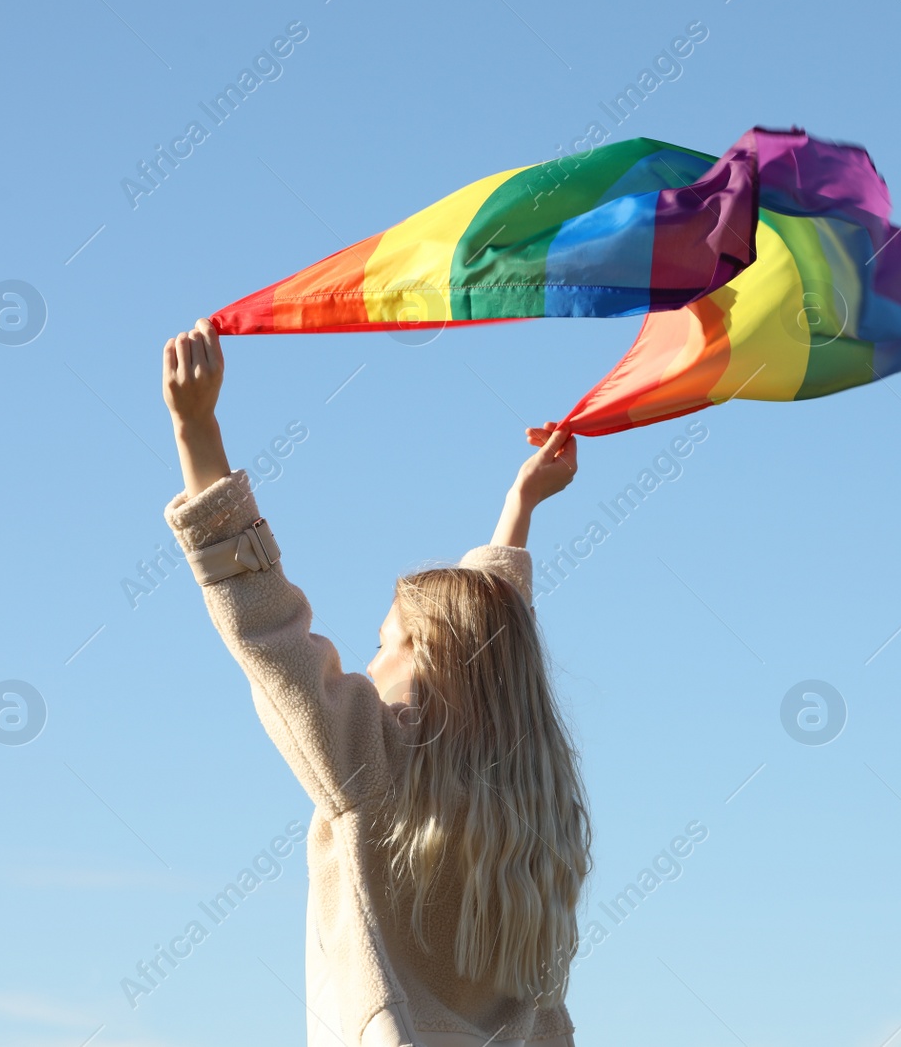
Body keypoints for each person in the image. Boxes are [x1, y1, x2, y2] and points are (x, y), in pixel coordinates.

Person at [160, 318, 590, 1047]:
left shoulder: (370, 766)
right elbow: (489, 647)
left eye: (383, 640)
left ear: (435, 671)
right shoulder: (529, 830)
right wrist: (518, 511)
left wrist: (196, 433)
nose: (365, 662)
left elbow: (268, 627)